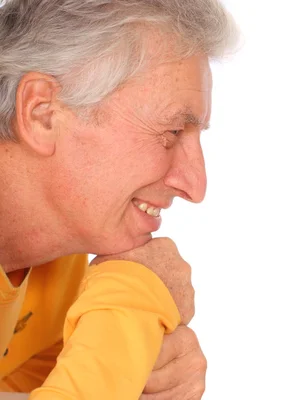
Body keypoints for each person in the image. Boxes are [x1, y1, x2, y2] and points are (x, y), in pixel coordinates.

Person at [0, 0, 238, 398]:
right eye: (173, 131)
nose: (195, 187)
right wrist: (135, 293)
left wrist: (130, 374)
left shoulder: (63, 261)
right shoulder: (108, 274)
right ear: (42, 113)